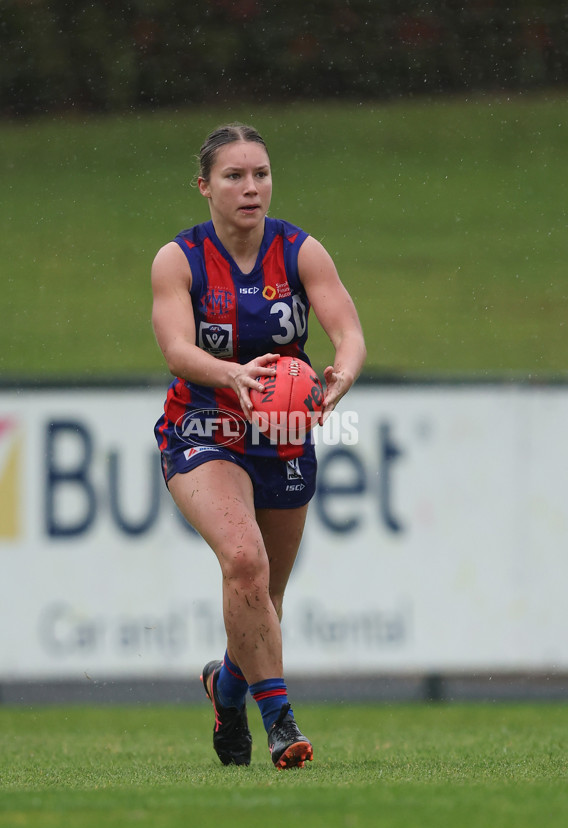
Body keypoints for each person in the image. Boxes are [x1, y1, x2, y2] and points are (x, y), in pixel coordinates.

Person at [152, 122, 366, 769]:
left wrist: (342, 374)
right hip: (204, 424)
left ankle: (228, 685)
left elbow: (348, 333)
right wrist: (232, 375)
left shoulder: (300, 251)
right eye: (234, 176)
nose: (251, 187)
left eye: (261, 174)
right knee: (244, 560)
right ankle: (280, 723)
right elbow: (177, 349)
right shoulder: (179, 258)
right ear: (204, 186)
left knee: (264, 601)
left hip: (281, 432)